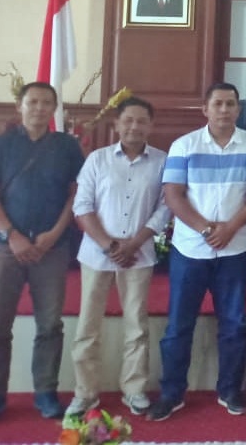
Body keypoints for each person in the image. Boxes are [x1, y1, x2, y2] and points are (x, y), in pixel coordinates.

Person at [0, 82, 85, 426]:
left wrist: (55, 234)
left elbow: (75, 194)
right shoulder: (1, 145)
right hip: (6, 247)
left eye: (46, 102)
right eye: (32, 102)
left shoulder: (67, 146)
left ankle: (46, 392)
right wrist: (12, 235)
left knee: (50, 325)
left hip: (52, 248)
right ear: (19, 106)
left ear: (54, 109)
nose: (39, 108)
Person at [147, 83, 246, 422]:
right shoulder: (184, 145)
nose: (224, 110)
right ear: (205, 109)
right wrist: (206, 229)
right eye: (218, 104)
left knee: (234, 325)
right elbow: (173, 195)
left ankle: (230, 390)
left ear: (239, 109)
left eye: (230, 104)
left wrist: (230, 228)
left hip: (235, 249)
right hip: (190, 250)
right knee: (178, 326)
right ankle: (171, 393)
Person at [66, 97, 170, 418]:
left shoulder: (162, 161)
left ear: (151, 126)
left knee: (137, 325)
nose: (134, 127)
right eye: (128, 120)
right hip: (96, 255)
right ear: (116, 124)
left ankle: (134, 390)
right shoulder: (97, 160)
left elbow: (165, 208)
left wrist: (134, 243)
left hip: (139, 256)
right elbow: (82, 206)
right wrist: (110, 245)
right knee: (88, 325)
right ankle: (85, 393)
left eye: (141, 121)